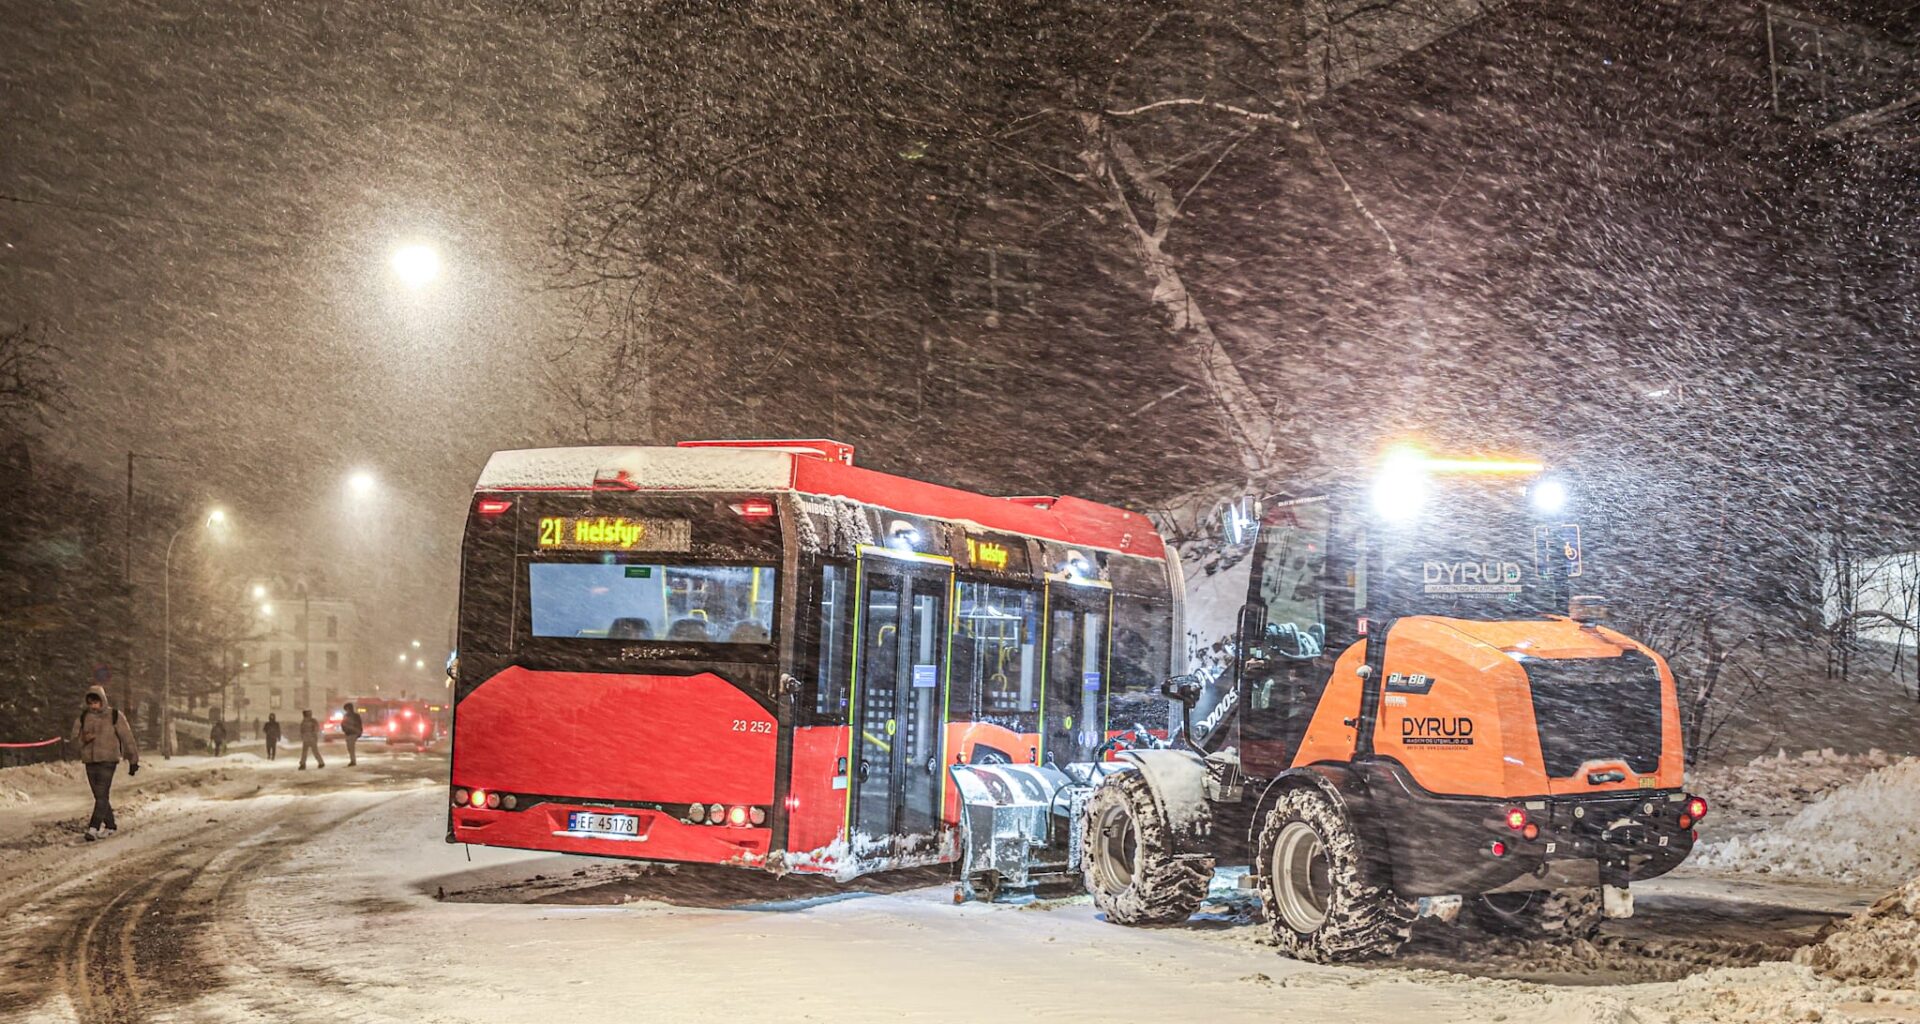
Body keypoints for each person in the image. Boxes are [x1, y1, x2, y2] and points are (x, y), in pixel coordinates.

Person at [70, 685, 139, 840]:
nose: (93, 705)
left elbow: (127, 738)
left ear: (103, 700)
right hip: (90, 761)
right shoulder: (83, 717)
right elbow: (74, 742)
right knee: (99, 796)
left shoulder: (115, 715)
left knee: (102, 795)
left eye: (96, 702)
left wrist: (133, 759)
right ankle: (110, 825)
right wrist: (84, 739)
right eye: (90, 702)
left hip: (108, 761)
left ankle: (93, 828)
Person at [340, 700, 364, 766]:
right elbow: (343, 724)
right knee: (349, 747)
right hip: (349, 733)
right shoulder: (348, 716)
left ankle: (353, 761)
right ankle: (352, 760)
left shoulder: (354, 716)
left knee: (351, 747)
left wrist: (359, 731)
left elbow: (359, 724)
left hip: (353, 733)